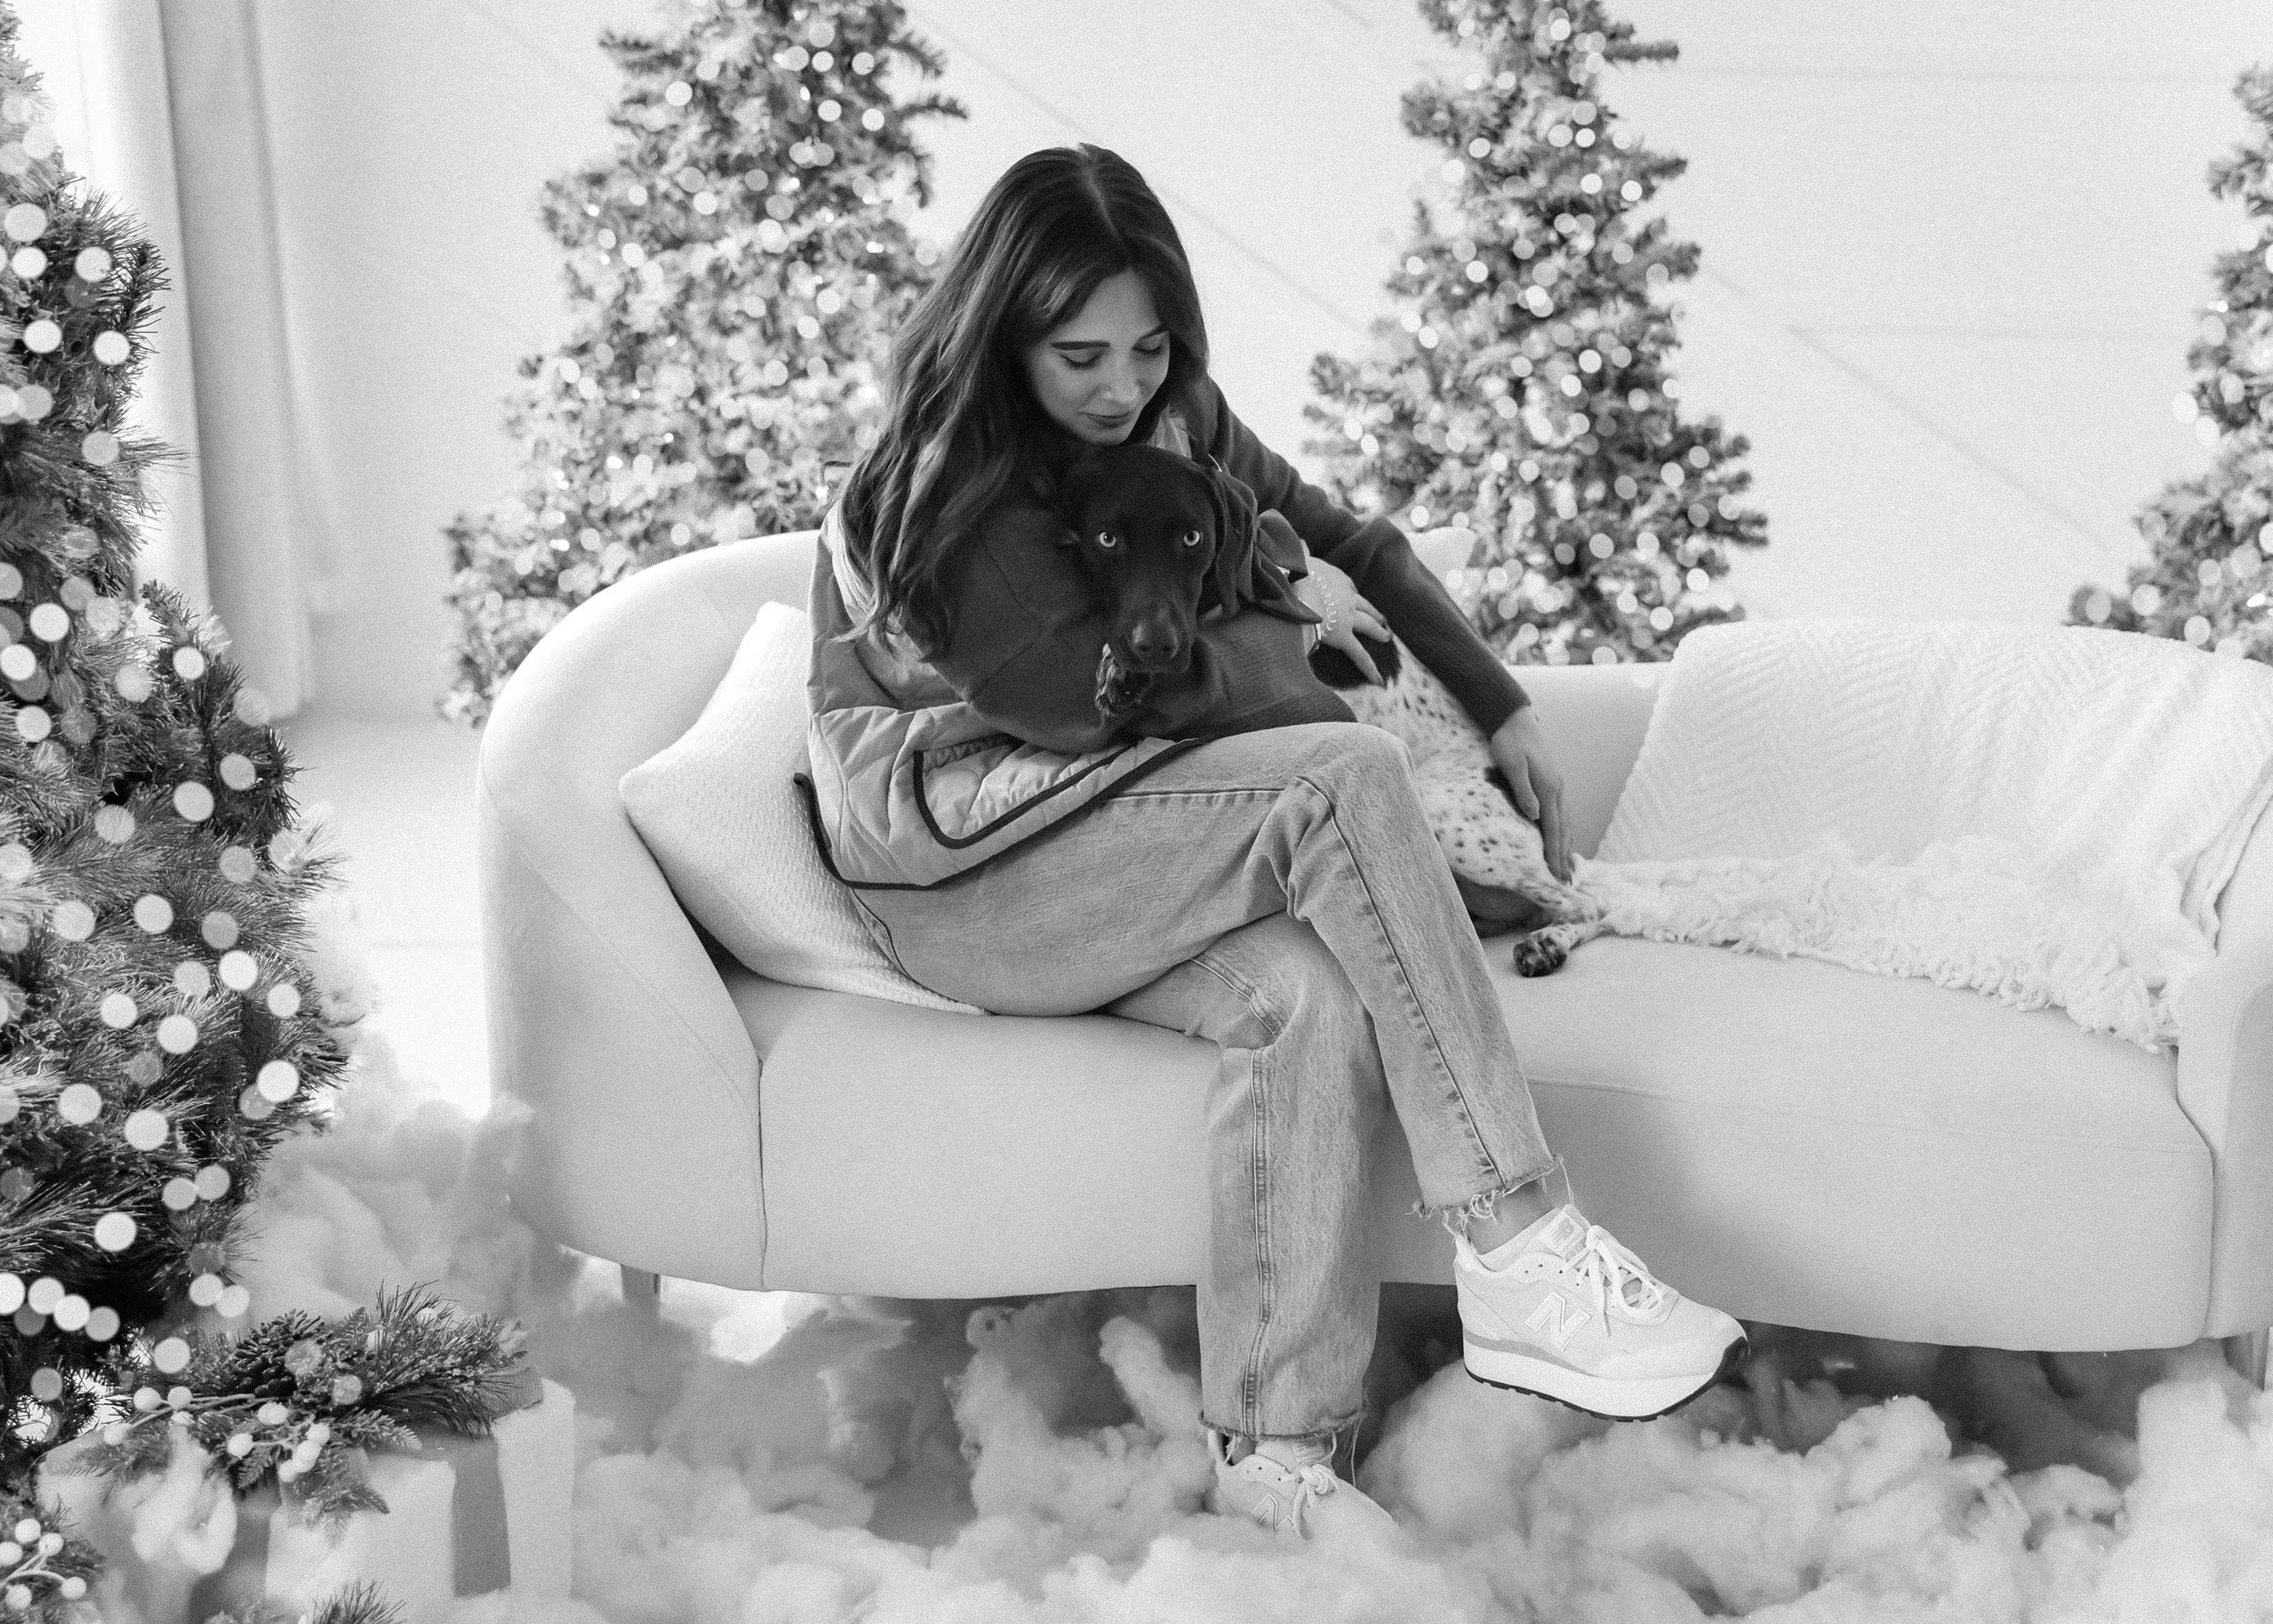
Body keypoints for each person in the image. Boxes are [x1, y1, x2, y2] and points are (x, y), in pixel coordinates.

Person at [807, 144, 1744, 1539]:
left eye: (1149, 345)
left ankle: (1278, 1451)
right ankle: (1521, 1240)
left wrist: (1498, 700)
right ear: (1002, 334)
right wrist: (1296, 629)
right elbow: (1101, 702)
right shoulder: (950, 494)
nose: (1122, 385)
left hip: (1117, 850)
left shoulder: (1168, 424)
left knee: (1301, 996)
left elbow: (1336, 536)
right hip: (971, 877)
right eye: (1079, 356)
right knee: (1338, 778)